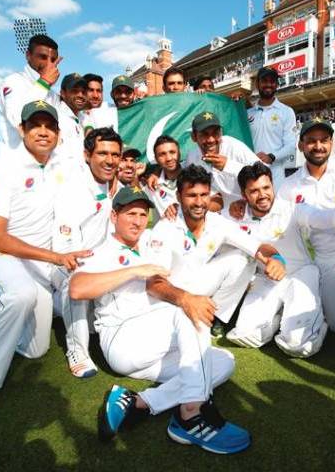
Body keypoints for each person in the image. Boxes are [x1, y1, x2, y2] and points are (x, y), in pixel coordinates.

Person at [69, 186, 251, 454]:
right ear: (114, 216)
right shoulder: (102, 251)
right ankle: (191, 415)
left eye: (143, 214)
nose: (138, 221)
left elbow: (183, 229)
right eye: (130, 214)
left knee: (223, 362)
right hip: (123, 340)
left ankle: (138, 402)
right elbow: (77, 288)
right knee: (188, 310)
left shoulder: (151, 240)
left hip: (156, 342)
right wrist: (133, 271)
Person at [0, 100, 91, 414]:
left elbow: (101, 167)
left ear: (58, 132)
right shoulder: (3, 167)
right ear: (22, 129)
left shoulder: (63, 163)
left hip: (37, 261)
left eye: (49, 126)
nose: (43, 132)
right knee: (20, 295)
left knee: (34, 350)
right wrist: (55, 257)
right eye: (35, 125)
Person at [225, 162, 335, 357]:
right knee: (244, 335)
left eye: (266, 187)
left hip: (300, 275)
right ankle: (277, 318)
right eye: (253, 191)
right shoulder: (235, 216)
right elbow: (207, 218)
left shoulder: (292, 208)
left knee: (298, 346)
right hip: (265, 280)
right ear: (244, 195)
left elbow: (322, 217)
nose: (262, 195)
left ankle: (312, 322)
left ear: (273, 186)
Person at [147, 164, 286, 340]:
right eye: (191, 195)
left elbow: (256, 246)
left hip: (198, 286)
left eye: (204, 195)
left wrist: (276, 257)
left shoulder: (217, 222)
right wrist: (186, 299)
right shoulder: (165, 227)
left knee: (243, 258)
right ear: (178, 197)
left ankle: (216, 318)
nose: (199, 202)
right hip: (169, 296)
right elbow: (153, 284)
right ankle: (193, 312)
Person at [277, 118, 335, 365]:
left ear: (331, 143)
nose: (318, 146)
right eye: (311, 141)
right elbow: (293, 222)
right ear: (300, 145)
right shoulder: (288, 186)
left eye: (324, 140)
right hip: (324, 258)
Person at [52, 127, 124, 378]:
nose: (110, 160)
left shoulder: (111, 184)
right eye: (103, 153)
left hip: (97, 261)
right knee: (77, 281)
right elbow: (67, 251)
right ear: (87, 155)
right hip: (66, 262)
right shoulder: (74, 188)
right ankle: (77, 351)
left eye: (115, 154)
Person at [185, 111, 259, 211]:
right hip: (220, 215)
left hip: (249, 210)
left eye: (216, 133)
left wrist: (228, 165)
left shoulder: (233, 146)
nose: (211, 139)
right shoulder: (192, 157)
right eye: (204, 134)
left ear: (221, 133)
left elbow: (264, 172)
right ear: (194, 137)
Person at [0, 34, 61, 150]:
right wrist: (44, 82)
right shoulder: (13, 81)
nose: (48, 64)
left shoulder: (52, 94)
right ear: (28, 55)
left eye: (53, 59)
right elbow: (17, 118)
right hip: (17, 162)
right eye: (42, 57)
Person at [247, 67, 298, 190]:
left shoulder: (286, 111)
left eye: (272, 81)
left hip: (275, 176)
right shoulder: (247, 113)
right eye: (264, 81)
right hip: (250, 174)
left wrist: (271, 157)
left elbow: (291, 145)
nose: (268, 84)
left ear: (276, 84)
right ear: (257, 84)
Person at [145, 135, 182, 220]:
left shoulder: (193, 174)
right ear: (156, 159)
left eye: (172, 152)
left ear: (179, 153)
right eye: (162, 154)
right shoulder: (151, 185)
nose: (169, 158)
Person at [56, 73, 87, 162]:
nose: (80, 95)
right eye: (74, 91)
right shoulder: (56, 117)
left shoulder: (84, 118)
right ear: (63, 93)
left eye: (83, 92)